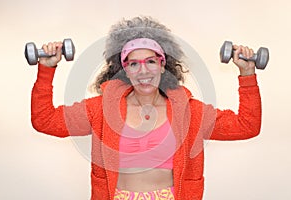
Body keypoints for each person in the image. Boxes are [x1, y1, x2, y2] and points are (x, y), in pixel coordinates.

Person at [31, 16, 261, 200]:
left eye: (151, 61)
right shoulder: (101, 109)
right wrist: (46, 69)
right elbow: (45, 121)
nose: (143, 71)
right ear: (124, 70)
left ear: (163, 66)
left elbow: (246, 126)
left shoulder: (189, 111)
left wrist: (247, 73)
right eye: (133, 64)